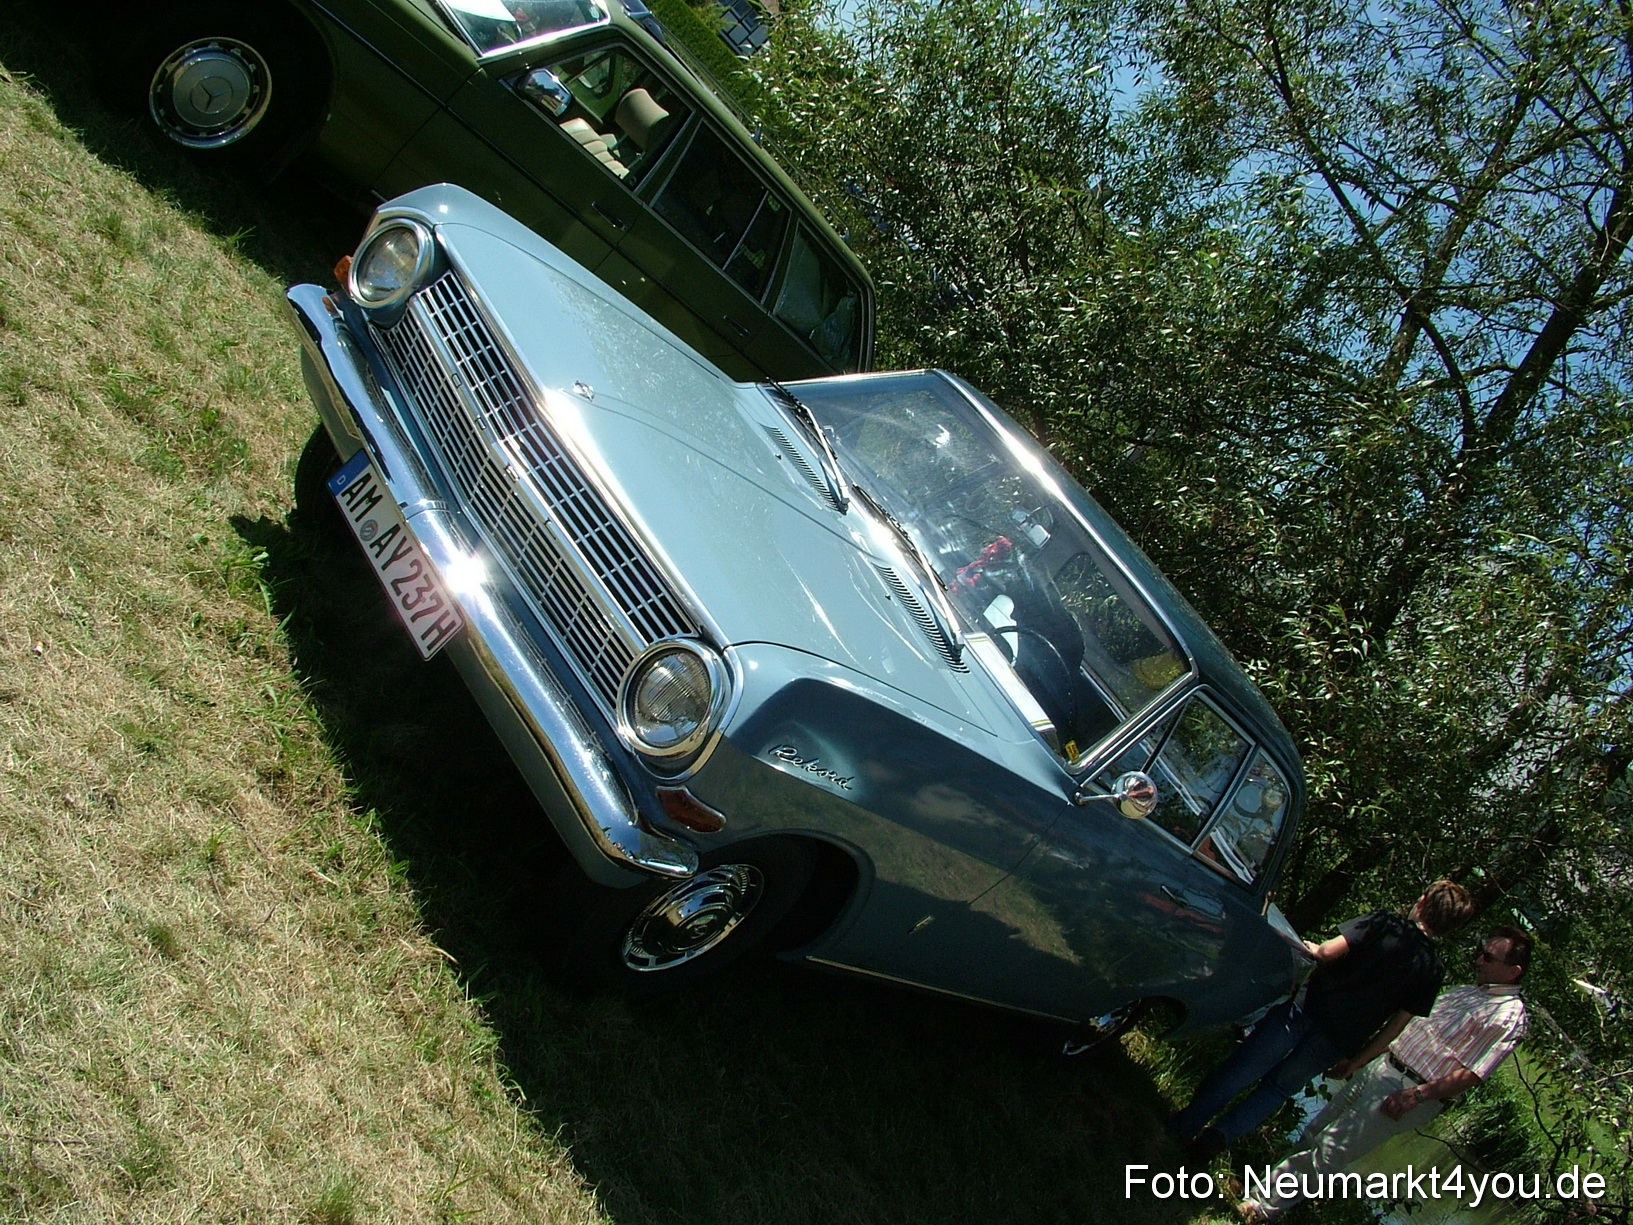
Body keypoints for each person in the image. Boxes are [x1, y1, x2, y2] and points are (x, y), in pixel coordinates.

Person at [1167, 880, 1475, 1161]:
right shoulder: (1433, 970)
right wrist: (1357, 1061)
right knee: (1276, 1090)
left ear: (1421, 902)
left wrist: (1313, 950)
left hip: (1308, 1007)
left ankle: (1185, 1123)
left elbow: (1328, 951)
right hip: (1338, 1040)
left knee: (1246, 1067)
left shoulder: (1386, 924)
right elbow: (1396, 1026)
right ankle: (1214, 1142)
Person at [1238, 925, 1532, 1221]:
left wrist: (1417, 1095)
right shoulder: (1469, 992)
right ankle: (1259, 1190)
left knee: (1331, 1151)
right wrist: (1362, 1060)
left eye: (1490, 958)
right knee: (1316, 1133)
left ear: (1513, 972)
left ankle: (1260, 1207)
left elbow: (1473, 1074)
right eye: (1482, 953)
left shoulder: (1508, 1016)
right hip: (1384, 1068)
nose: (1480, 961)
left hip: (1408, 1088)